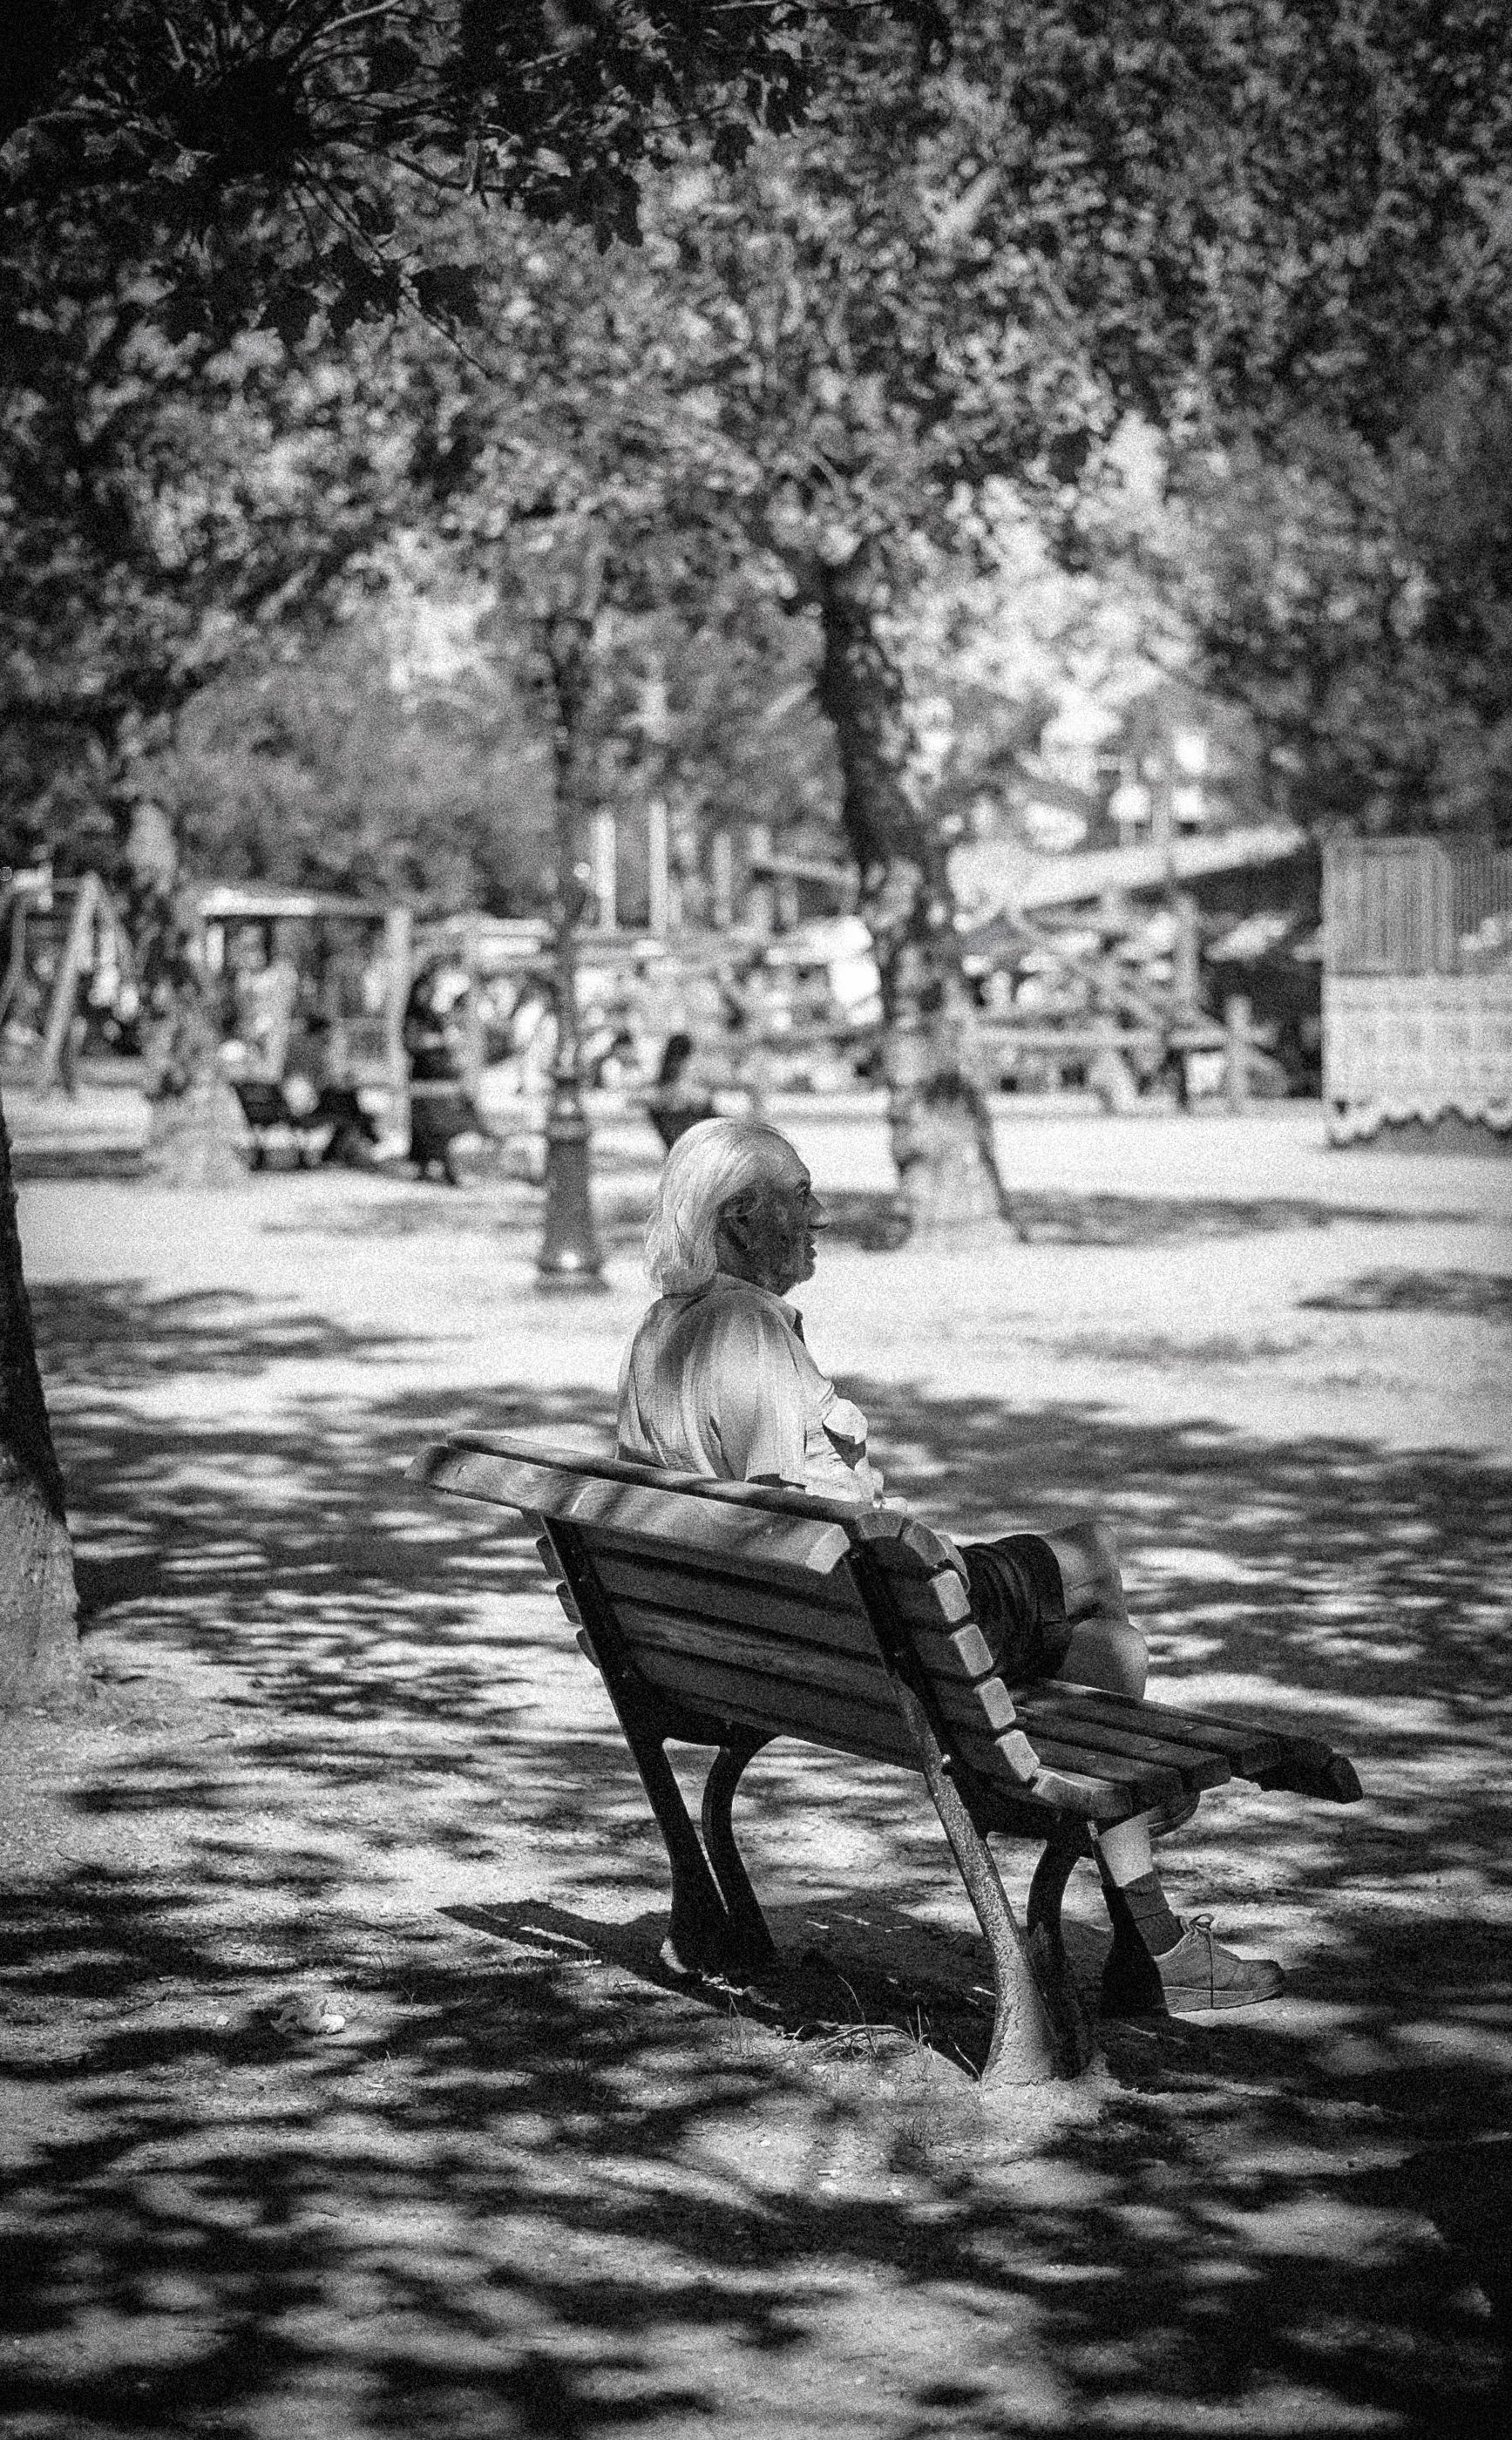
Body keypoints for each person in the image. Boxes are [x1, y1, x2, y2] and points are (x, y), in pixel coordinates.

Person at [617, 1114, 1283, 2019]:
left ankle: (1143, 1921)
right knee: (1092, 1556)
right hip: (867, 1635)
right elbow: (786, 1520)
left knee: (1109, 1652)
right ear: (739, 1218)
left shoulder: (660, 1330)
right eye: (801, 1196)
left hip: (743, 1652)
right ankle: (1116, 1877)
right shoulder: (747, 1329)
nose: (821, 1215)